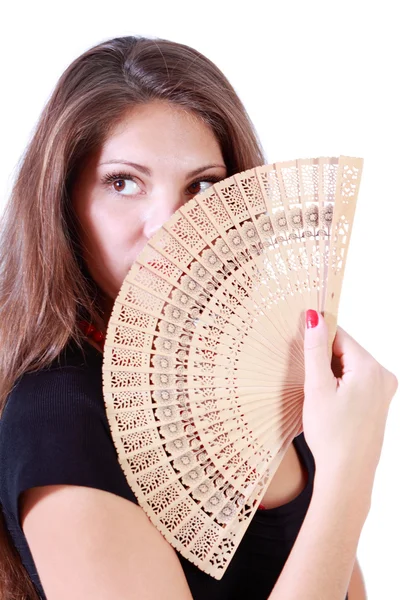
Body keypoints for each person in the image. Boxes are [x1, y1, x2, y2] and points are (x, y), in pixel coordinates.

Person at [0, 35, 396, 600]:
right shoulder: (62, 418)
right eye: (123, 183)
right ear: (65, 206)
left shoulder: (265, 392)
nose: (170, 224)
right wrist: (349, 479)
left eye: (204, 185)